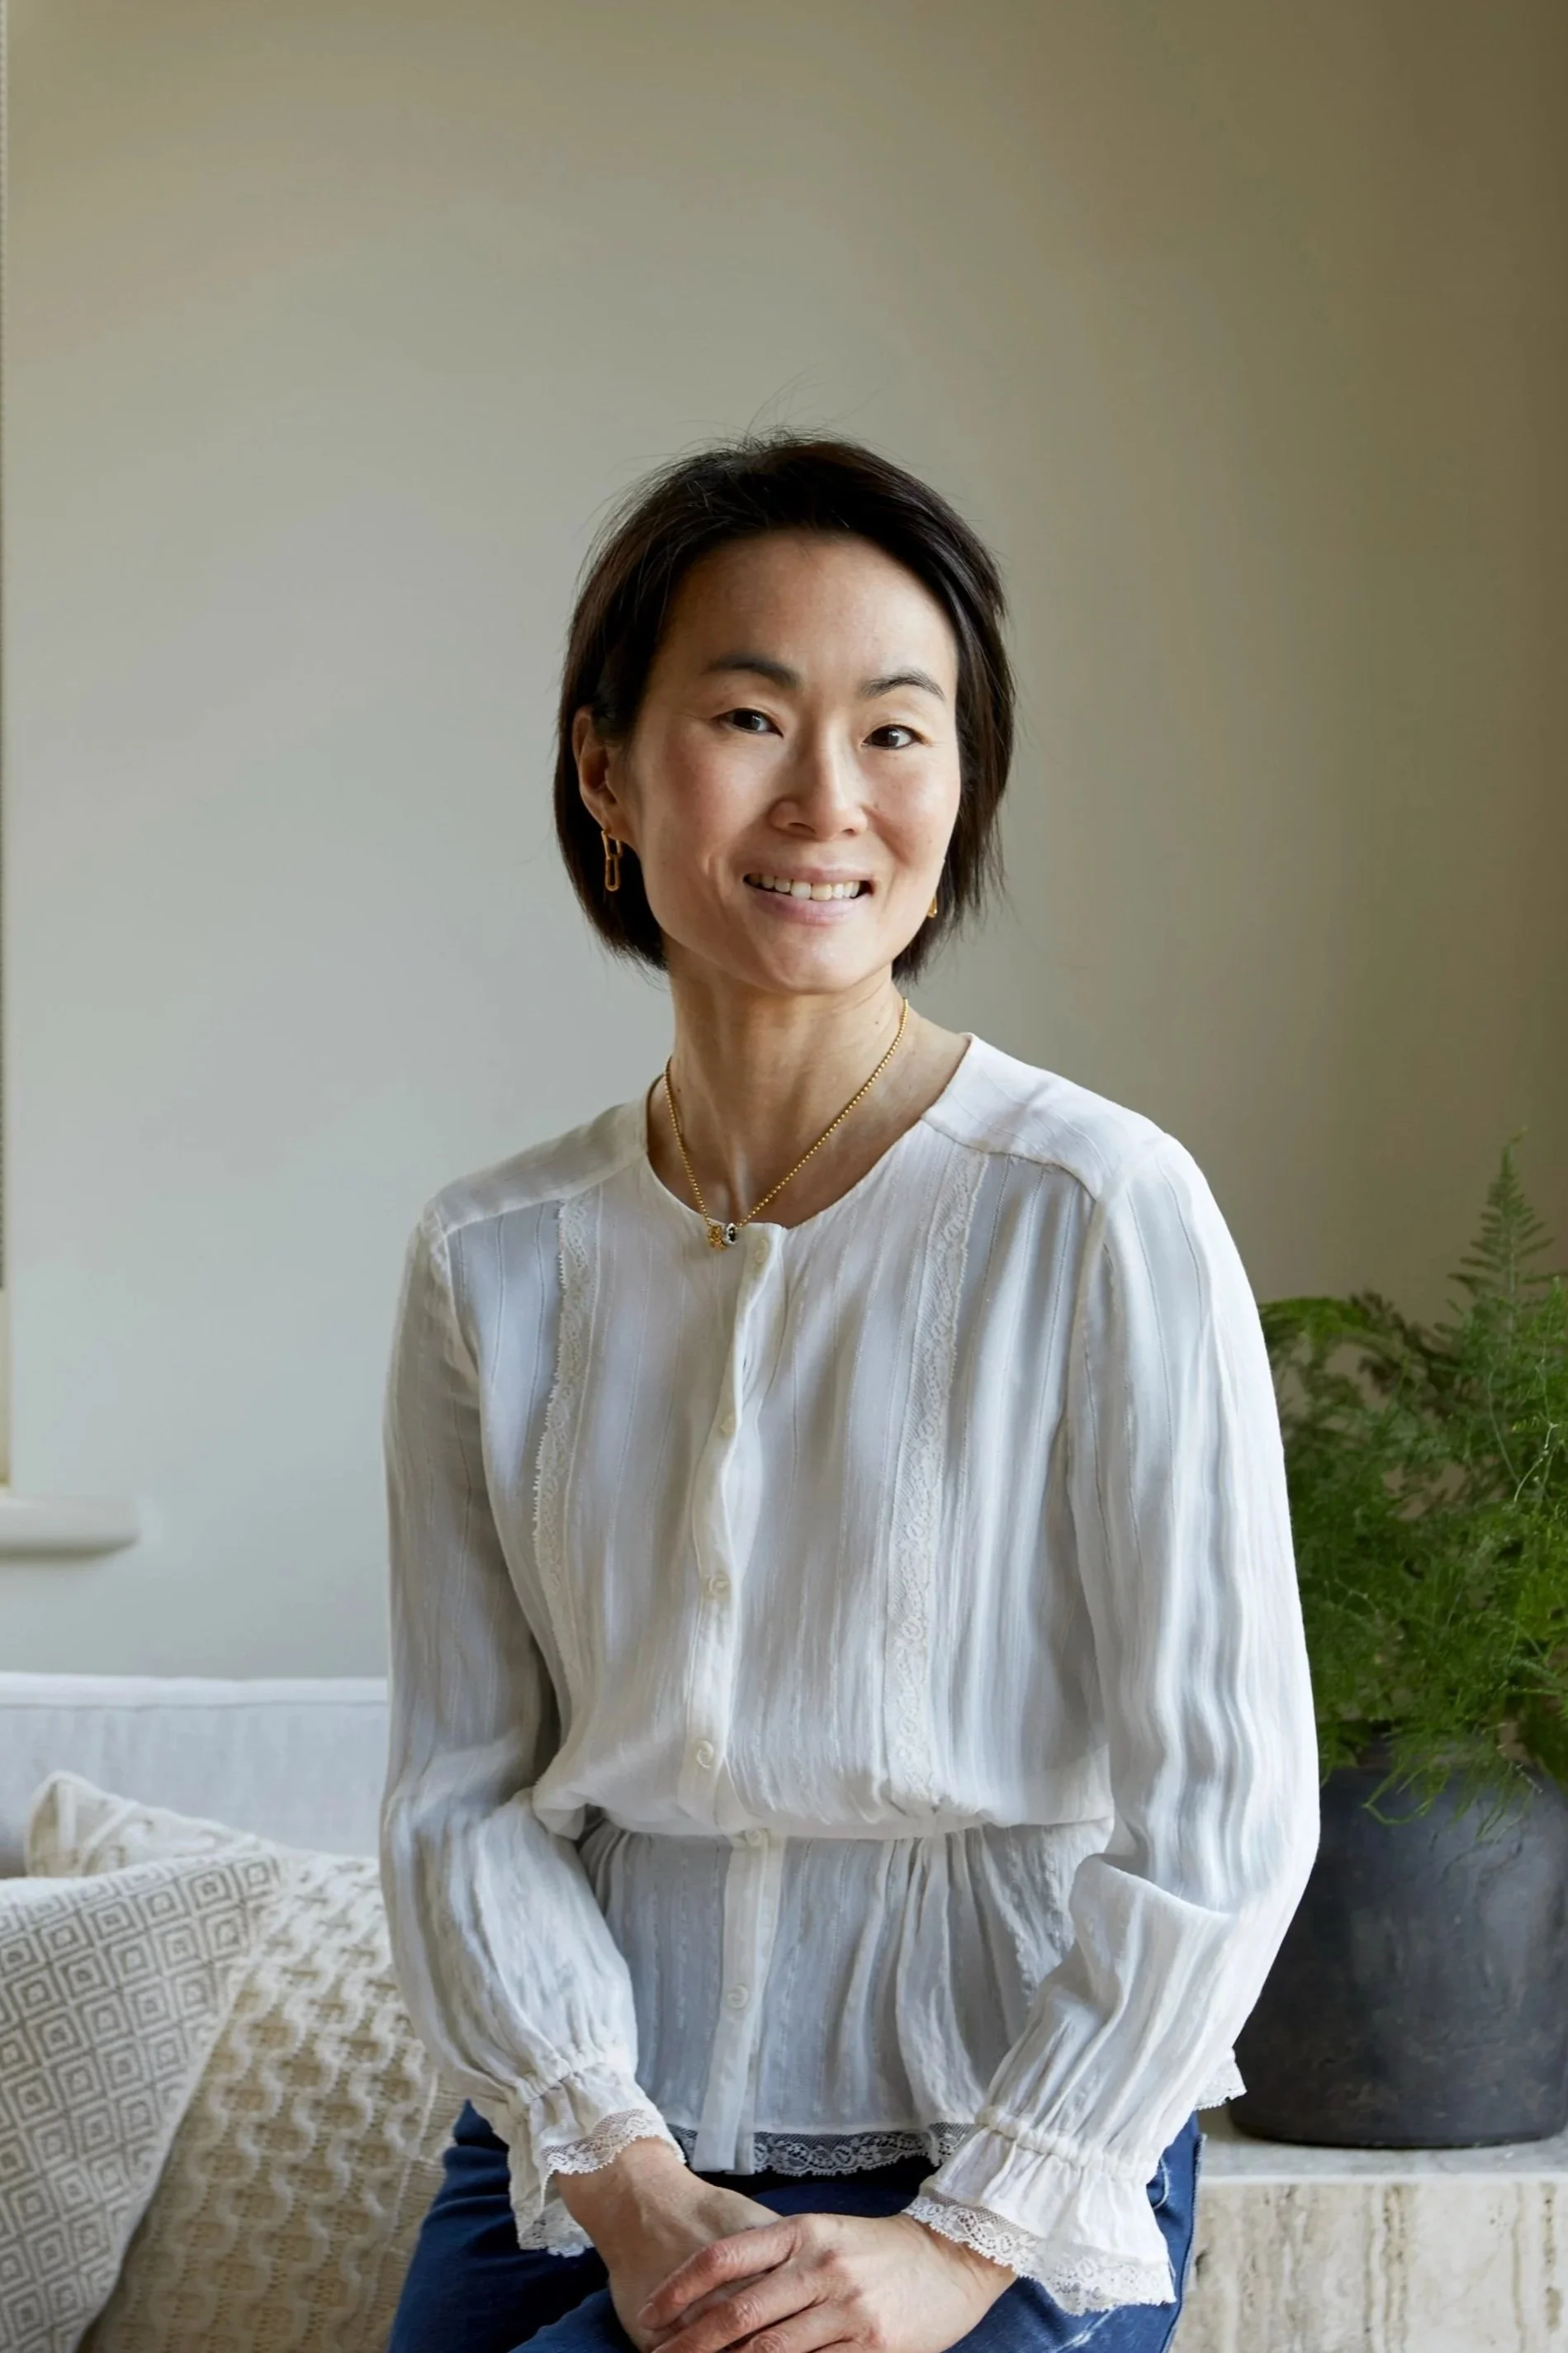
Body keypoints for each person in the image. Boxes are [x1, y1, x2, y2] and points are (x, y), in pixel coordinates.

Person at [378, 433, 1319, 2353]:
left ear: (960, 785)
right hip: (594, 2134)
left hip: (1000, 2124)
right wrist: (620, 2179)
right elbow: (460, 1790)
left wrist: (963, 2238)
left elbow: (1225, 1808)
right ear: (605, 772)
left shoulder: (1095, 1209)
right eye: (748, 713)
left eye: (899, 730)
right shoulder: (491, 1257)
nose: (830, 798)